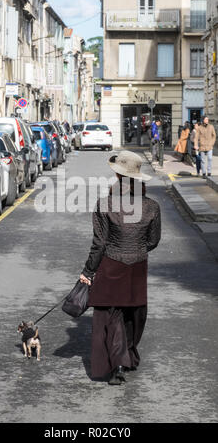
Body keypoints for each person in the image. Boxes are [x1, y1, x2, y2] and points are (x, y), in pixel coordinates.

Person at [80, 151, 161, 385]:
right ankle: (127, 356)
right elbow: (153, 241)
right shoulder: (151, 207)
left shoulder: (104, 204)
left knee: (110, 315)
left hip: (111, 263)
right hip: (137, 265)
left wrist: (88, 271)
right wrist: (135, 249)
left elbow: (100, 243)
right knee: (133, 314)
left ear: (117, 176)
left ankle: (116, 364)